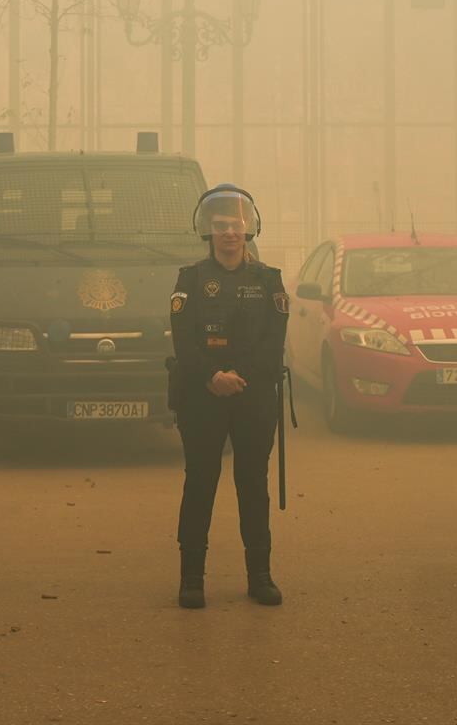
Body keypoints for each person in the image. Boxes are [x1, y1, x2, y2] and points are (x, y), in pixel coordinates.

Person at [167, 184, 288, 609]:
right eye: (221, 227)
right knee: (200, 483)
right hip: (202, 397)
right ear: (208, 231)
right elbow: (183, 342)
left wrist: (239, 377)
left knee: (252, 485)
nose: (229, 234)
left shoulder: (270, 281)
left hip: (253, 398)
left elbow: (274, 346)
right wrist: (213, 376)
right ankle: (192, 579)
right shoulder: (190, 280)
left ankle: (260, 576)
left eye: (236, 226)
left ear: (249, 229)